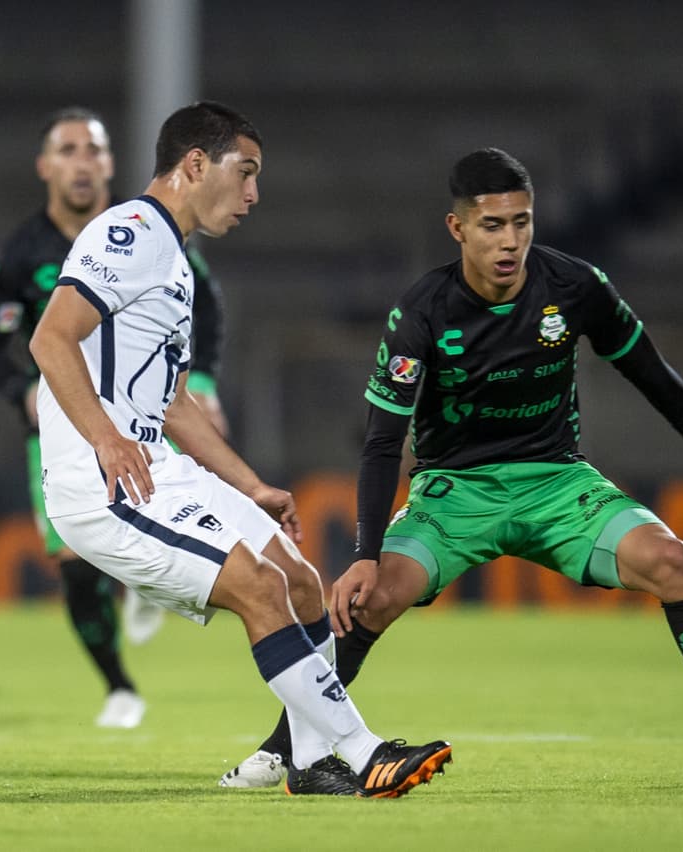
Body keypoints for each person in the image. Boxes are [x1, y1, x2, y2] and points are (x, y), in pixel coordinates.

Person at [231, 147, 683, 789]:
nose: (510, 241)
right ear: (458, 229)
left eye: (521, 223)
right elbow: (382, 441)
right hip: (454, 493)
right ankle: (283, 750)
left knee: (673, 562)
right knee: (371, 600)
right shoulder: (422, 311)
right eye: (493, 226)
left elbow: (645, 366)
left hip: (558, 481)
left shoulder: (575, 286)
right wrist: (366, 550)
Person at [27, 100, 452, 797]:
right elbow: (51, 337)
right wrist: (103, 439)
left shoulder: (177, 262)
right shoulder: (130, 233)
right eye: (245, 172)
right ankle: (366, 748)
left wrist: (249, 485)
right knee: (258, 586)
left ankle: (308, 763)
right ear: (196, 164)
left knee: (301, 578)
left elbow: (170, 402)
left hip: (158, 467)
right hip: (104, 482)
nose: (254, 194)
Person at [0, 107, 231, 728]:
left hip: (143, 417)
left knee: (167, 522)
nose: (83, 163)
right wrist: (20, 392)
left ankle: (148, 581)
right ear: (45, 166)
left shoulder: (145, 231)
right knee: (73, 561)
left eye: (95, 150)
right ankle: (119, 686)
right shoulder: (20, 252)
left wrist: (204, 381)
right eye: (68, 150)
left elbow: (207, 307)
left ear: (112, 164)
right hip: (62, 425)